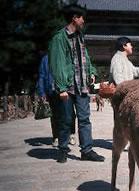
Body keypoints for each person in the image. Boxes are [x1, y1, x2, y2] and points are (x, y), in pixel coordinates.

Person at [48, 3, 105, 162]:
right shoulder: (59, 38)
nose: (83, 21)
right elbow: (57, 64)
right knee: (66, 119)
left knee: (85, 119)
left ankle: (86, 150)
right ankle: (63, 149)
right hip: (67, 86)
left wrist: (92, 71)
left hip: (82, 86)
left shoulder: (80, 36)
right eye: (81, 18)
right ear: (74, 18)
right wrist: (61, 88)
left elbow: (85, 57)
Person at [37, 54, 76, 147]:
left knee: (70, 113)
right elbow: (42, 75)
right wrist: (42, 92)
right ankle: (56, 136)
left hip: (66, 89)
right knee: (55, 115)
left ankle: (71, 134)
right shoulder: (46, 59)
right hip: (52, 90)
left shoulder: (65, 56)